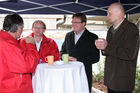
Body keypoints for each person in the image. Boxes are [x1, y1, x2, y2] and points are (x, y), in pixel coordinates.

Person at [95, 2, 139, 93]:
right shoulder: (111, 30)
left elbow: (130, 54)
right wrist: (102, 47)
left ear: (119, 12)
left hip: (122, 82)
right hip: (111, 80)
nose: (107, 16)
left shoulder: (131, 29)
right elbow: (108, 51)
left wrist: (107, 46)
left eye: (109, 13)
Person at [60, 13, 100, 92]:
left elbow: (95, 57)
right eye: (72, 22)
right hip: (68, 74)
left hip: (83, 74)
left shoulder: (92, 37)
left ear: (83, 23)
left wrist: (77, 59)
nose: (73, 25)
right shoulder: (68, 35)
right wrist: (63, 57)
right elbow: (62, 51)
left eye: (76, 22)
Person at [0, 13, 39, 93]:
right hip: (14, 88)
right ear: (18, 28)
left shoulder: (4, 40)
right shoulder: (7, 44)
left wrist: (22, 41)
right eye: (22, 28)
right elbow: (28, 65)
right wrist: (30, 45)